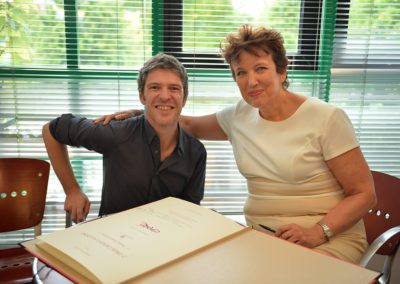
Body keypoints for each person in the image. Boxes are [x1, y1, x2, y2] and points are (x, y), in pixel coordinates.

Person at [94, 25, 376, 263]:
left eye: (261, 68)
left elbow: (364, 193)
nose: (251, 81)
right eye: (241, 73)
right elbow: (188, 124)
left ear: (282, 71)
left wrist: (318, 231)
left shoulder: (326, 118)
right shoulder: (240, 114)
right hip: (263, 235)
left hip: (326, 238)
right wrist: (143, 112)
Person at [42, 53, 207, 224]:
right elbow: (51, 130)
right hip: (113, 241)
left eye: (174, 88)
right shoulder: (117, 133)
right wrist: (72, 190)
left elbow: (189, 213)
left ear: (184, 98)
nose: (165, 96)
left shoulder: (196, 152)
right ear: (142, 97)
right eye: (155, 87)